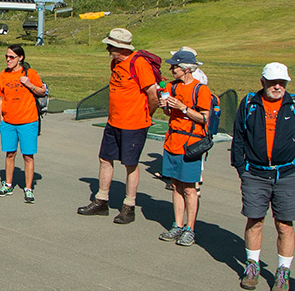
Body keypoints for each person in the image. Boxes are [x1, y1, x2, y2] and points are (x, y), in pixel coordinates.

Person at [230, 62, 295, 291]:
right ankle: (252, 266)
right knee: (254, 221)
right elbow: (239, 136)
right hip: (255, 174)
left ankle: (283, 272)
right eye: (273, 82)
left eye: (282, 83)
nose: (278, 87)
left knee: (285, 225)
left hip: (287, 174)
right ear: (263, 82)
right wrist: (241, 167)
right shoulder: (249, 103)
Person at [76, 28, 157, 224]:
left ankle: (129, 207)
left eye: (110, 46)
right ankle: (101, 200)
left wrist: (146, 115)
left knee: (130, 164)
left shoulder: (139, 64)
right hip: (114, 121)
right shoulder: (115, 63)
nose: (107, 49)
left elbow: (153, 95)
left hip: (134, 124)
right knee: (105, 159)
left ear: (121, 48)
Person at [156, 48, 214, 245]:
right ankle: (177, 225)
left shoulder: (201, 90)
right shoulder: (171, 87)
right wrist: (165, 106)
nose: (172, 70)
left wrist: (183, 108)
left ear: (187, 69)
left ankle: (190, 228)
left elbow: (204, 118)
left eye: (175, 67)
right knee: (176, 186)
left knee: (190, 188)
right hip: (172, 142)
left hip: (190, 145)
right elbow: (167, 113)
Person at [0, 44, 48, 201]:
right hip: (8, 122)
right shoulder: (3, 75)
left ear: (20, 58)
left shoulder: (30, 73)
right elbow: (1, 98)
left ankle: (28, 188)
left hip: (28, 121)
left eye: (12, 57)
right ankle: (8, 184)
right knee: (10, 154)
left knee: (28, 156)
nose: (8, 60)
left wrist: (28, 84)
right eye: (6, 56)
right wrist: (1, 118)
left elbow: (42, 91)